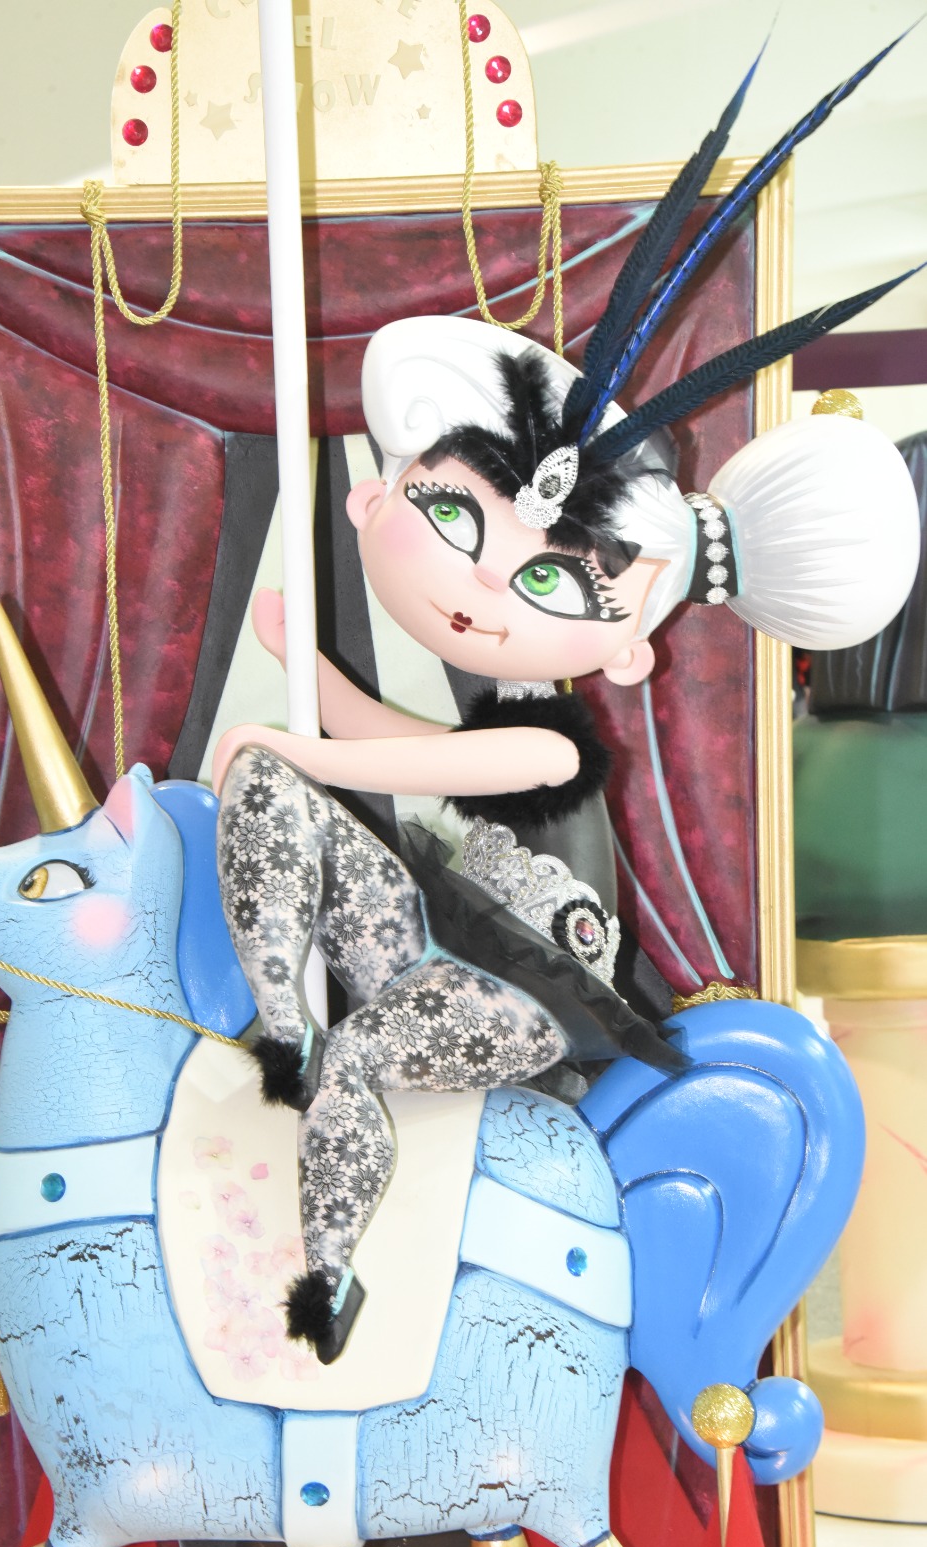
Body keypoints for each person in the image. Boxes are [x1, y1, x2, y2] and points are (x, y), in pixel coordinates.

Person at [211, 45, 923, 1361]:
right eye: (454, 519)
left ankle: (329, 1278)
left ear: (633, 649)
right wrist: (304, 686)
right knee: (265, 798)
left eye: (548, 578)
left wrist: (298, 727)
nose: (489, 585)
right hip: (432, 947)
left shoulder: (548, 741)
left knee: (362, 1041)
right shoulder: (499, 710)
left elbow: (424, 766)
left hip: (534, 1001)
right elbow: (396, 745)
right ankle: (281, 1022)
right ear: (378, 495)